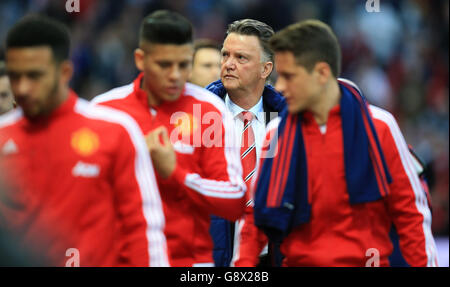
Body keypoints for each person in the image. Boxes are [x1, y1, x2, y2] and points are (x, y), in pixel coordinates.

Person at [251, 19, 438, 266]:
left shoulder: (379, 126)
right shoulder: (275, 132)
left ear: (321, 73)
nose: (280, 87)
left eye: (288, 76)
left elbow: (411, 213)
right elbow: (253, 220)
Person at [0, 15, 168, 267]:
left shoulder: (115, 131)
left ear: (64, 72)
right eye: (16, 76)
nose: (22, 88)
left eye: (35, 76)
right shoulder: (3, 137)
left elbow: (143, 228)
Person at [92, 10, 246, 267]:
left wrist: (175, 173)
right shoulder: (104, 111)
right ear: (140, 59)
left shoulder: (208, 110)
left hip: (191, 264)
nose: (175, 75)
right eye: (164, 65)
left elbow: (234, 201)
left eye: (184, 64)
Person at [205, 19, 286, 267]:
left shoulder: (285, 123)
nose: (228, 64)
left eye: (241, 58)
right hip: (215, 259)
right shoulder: (199, 119)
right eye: (225, 55)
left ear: (265, 69)